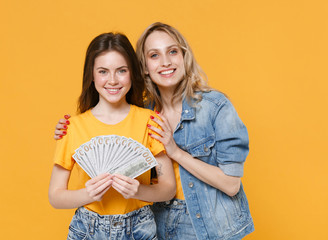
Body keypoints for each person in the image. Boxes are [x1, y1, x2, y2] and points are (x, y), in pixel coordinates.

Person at [54, 23, 254, 240]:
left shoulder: (215, 107)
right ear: (144, 67)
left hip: (206, 222)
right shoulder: (144, 112)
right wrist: (70, 128)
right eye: (154, 55)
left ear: (184, 57)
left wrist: (176, 152)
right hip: (156, 221)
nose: (166, 62)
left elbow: (231, 185)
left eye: (172, 51)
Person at [48, 32, 176, 240]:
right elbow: (55, 196)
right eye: (103, 71)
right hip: (88, 228)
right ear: (91, 75)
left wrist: (138, 191)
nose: (113, 80)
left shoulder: (149, 122)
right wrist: (87, 195)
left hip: (139, 228)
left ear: (132, 73)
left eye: (121, 71)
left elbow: (168, 189)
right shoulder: (72, 128)